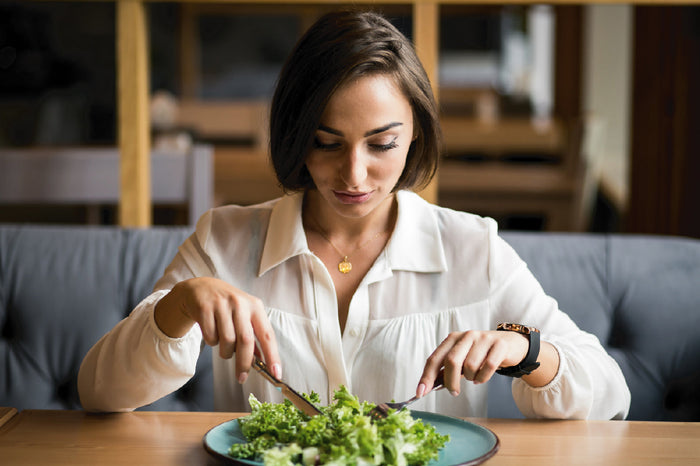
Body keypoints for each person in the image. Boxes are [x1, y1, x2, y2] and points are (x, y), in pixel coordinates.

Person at [78, 10, 630, 419]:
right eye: (326, 142)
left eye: (381, 144)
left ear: (415, 134)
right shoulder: (223, 239)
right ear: (296, 136)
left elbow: (611, 394)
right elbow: (98, 392)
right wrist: (179, 305)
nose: (354, 175)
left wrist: (525, 349)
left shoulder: (472, 247)